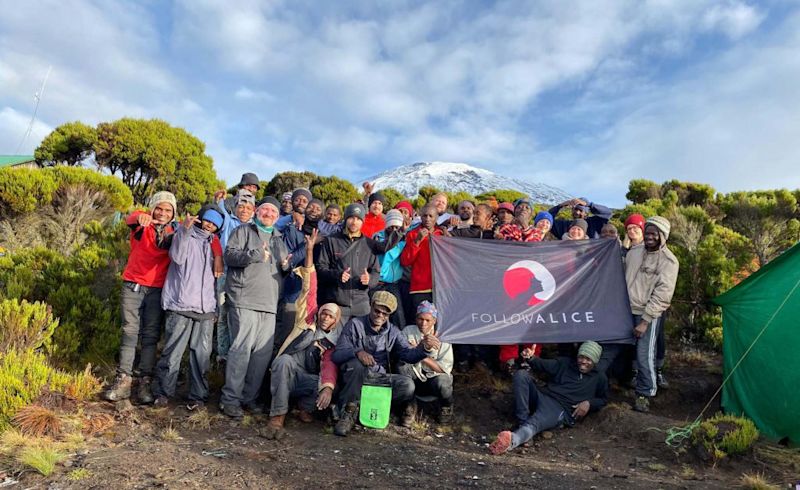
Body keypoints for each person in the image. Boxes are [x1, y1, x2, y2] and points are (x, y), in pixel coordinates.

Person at [264, 230, 341, 440]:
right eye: (324, 313)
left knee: (327, 388)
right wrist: (309, 251)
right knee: (283, 362)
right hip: (288, 373)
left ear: (335, 321)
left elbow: (329, 367)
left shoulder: (332, 341)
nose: (326, 318)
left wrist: (327, 387)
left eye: (330, 317)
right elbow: (310, 286)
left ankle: (302, 407)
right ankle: (277, 418)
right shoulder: (306, 321)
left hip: (306, 380)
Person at [104, 191, 179, 404]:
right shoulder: (140, 223)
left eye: (168, 210)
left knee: (151, 335)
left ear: (173, 213)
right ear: (152, 208)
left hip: (157, 289)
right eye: (159, 208)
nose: (163, 213)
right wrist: (140, 217)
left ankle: (144, 381)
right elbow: (131, 217)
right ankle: (124, 379)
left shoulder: (175, 230)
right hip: (133, 285)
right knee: (129, 330)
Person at [331, 292, 441, 436]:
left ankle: (365, 407)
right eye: (377, 311)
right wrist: (357, 352)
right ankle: (347, 413)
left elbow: (408, 355)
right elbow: (337, 354)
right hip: (355, 377)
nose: (380, 316)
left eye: (385, 314)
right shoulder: (355, 325)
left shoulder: (393, 331)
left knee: (407, 385)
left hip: (378, 379)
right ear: (371, 306)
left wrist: (424, 348)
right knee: (357, 365)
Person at [220, 198, 291, 418]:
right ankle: (230, 399)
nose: (269, 213)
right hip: (244, 299)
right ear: (257, 212)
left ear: (277, 217)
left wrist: (287, 267)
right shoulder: (243, 231)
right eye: (265, 209)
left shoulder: (280, 239)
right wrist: (254, 255)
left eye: (273, 211)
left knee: (261, 356)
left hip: (269, 304)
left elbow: (281, 268)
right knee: (240, 351)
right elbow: (229, 256)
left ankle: (248, 399)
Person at [154, 208, 224, 409]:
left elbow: (216, 280)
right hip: (180, 304)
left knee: (201, 357)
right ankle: (162, 393)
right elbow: (176, 257)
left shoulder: (215, 244)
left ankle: (197, 397)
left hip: (206, 309)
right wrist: (184, 230)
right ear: (200, 219)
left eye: (214, 224)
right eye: (207, 221)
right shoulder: (184, 234)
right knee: (172, 353)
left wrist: (215, 310)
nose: (209, 225)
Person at [489, 342, 608, 455]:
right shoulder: (566, 363)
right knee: (521, 375)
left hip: (560, 408)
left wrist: (589, 403)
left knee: (535, 422)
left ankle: (510, 441)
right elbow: (544, 364)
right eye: (581, 357)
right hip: (544, 395)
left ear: (595, 361)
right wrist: (531, 358)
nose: (583, 362)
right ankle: (522, 422)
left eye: (588, 359)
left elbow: (603, 399)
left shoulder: (599, 377)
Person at [624, 216, 679, 412]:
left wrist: (645, 321)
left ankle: (645, 393)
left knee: (644, 354)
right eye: (647, 232)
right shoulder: (634, 252)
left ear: (662, 236)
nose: (649, 236)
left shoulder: (669, 262)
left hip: (645, 314)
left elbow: (663, 295)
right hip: (625, 309)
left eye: (654, 233)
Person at [317, 203, 380, 327]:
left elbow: (376, 272)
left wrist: (370, 279)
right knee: (334, 343)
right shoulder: (331, 240)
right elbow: (320, 267)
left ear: (362, 222)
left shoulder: (369, 244)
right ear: (345, 219)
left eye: (358, 219)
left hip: (361, 304)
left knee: (361, 343)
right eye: (351, 217)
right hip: (337, 302)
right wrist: (337, 275)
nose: (354, 222)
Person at [215, 190, 256, 362]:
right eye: (241, 206)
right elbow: (219, 209)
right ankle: (222, 354)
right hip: (225, 275)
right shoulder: (227, 221)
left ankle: (236, 354)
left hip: (245, 278)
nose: (244, 210)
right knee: (223, 315)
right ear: (235, 207)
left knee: (238, 317)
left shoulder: (256, 227)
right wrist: (219, 200)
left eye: (249, 207)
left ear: (254, 210)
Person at [399, 301, 454, 423]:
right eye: (420, 319)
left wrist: (420, 353)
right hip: (413, 378)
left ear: (434, 321)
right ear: (416, 318)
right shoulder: (408, 331)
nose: (423, 323)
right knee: (402, 366)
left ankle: (446, 406)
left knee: (444, 381)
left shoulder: (442, 336)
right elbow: (401, 354)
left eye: (428, 320)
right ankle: (409, 406)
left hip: (432, 379)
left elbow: (443, 368)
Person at [401, 204, 443, 312]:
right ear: (420, 216)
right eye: (425, 216)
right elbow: (405, 261)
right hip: (419, 288)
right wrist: (417, 241)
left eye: (431, 216)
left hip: (440, 288)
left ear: (437, 217)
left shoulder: (442, 234)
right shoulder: (412, 234)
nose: (427, 219)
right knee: (421, 322)